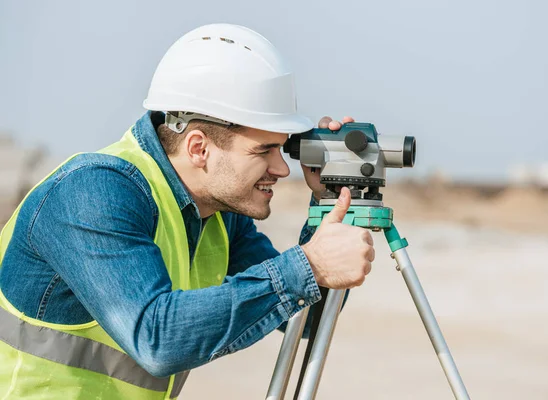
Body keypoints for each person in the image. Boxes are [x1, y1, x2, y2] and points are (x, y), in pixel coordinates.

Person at [0, 23, 374, 399]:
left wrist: (328, 201)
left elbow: (301, 314)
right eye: (264, 150)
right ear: (198, 148)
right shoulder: (92, 192)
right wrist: (307, 265)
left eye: (282, 148)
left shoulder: (220, 215)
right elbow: (157, 339)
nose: (281, 169)